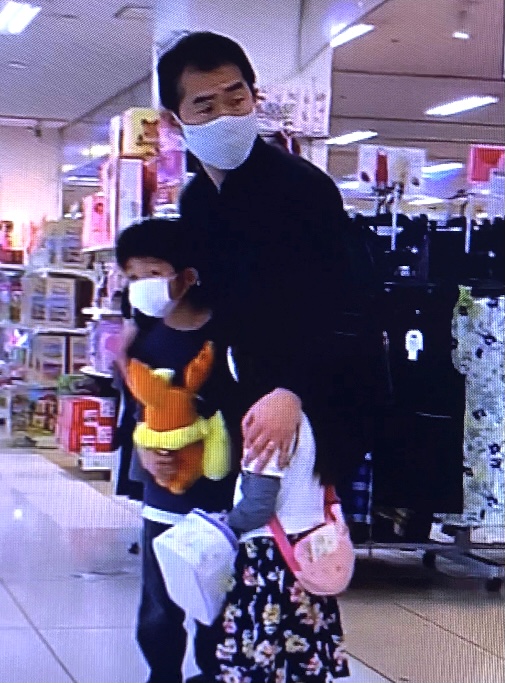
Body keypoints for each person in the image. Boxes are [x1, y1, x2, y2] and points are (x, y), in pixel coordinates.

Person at [157, 30, 381, 510]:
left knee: (289, 550)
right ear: (175, 123)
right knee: (217, 547)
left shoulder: (302, 189)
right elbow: (217, 312)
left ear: (254, 96)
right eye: (205, 106)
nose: (226, 116)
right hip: (239, 396)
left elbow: (346, 304)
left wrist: (292, 389)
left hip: (309, 401)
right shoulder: (196, 201)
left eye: (235, 97)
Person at [115, 217, 239, 683]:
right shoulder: (142, 339)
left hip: (221, 498)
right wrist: (144, 455)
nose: (141, 286)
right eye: (131, 276)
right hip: (162, 497)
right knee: (158, 601)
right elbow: (136, 414)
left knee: (217, 596)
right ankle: (161, 673)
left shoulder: (227, 334)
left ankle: (214, 673)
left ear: (186, 275)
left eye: (151, 273)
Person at [214, 412, 350, 682]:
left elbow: (258, 506)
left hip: (270, 560)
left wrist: (224, 524)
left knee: (264, 652)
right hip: (309, 555)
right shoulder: (318, 421)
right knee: (301, 652)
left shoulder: (272, 423)